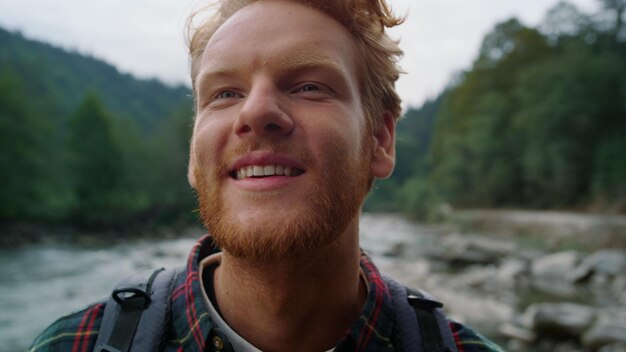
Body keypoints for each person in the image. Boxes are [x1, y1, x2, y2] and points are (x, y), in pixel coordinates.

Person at [30, 1, 503, 351]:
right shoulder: (71, 344)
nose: (254, 113)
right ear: (194, 157)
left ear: (380, 140)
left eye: (309, 86)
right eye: (225, 94)